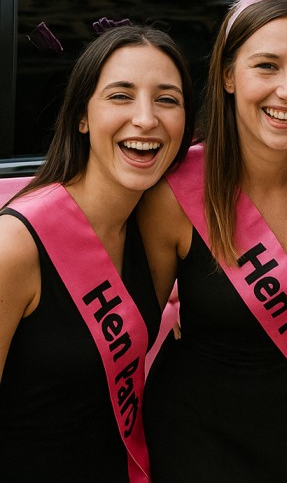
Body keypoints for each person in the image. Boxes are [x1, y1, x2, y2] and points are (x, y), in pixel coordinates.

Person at [140, 0, 287, 481]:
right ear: (229, 75)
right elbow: (125, 337)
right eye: (267, 66)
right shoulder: (173, 191)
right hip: (197, 442)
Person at [0, 25, 194, 482]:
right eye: (120, 96)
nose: (146, 119)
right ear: (82, 116)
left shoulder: (149, 231)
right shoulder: (15, 245)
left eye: (167, 99)